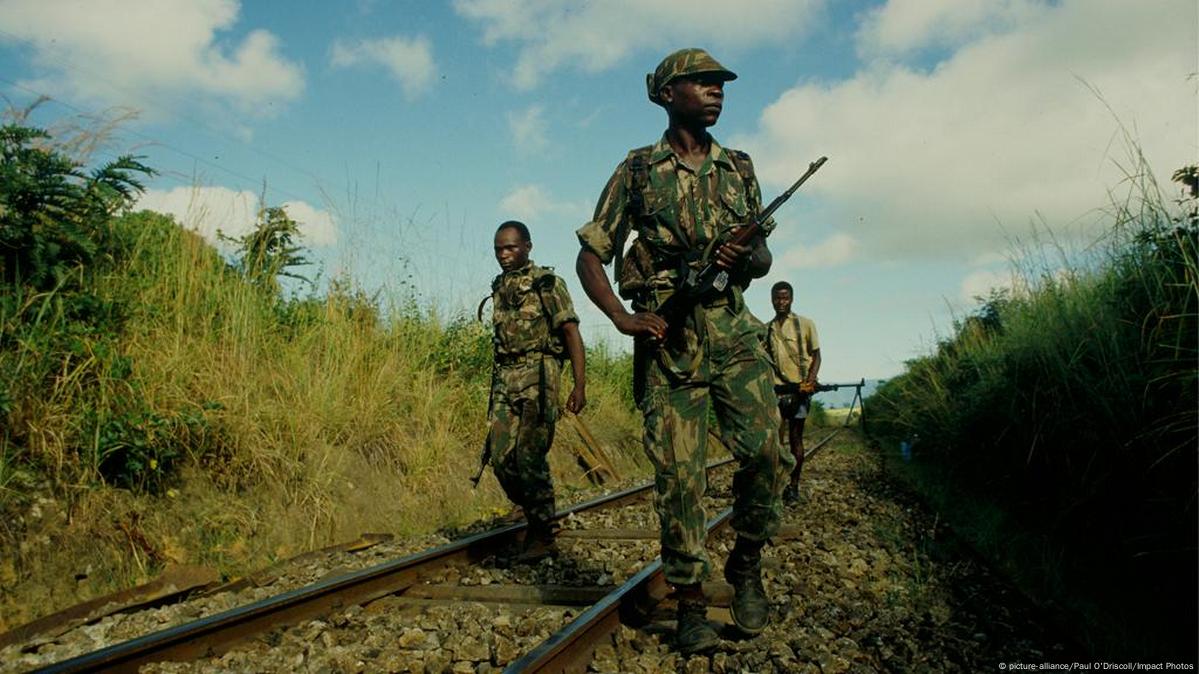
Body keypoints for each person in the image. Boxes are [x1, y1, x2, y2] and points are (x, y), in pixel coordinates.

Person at [575, 48, 794, 654]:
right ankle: (692, 602)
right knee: (679, 480)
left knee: (769, 456)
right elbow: (591, 253)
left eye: (720, 84)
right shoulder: (638, 170)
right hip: (670, 344)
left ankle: (746, 563)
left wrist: (743, 257)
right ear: (668, 94)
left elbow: (763, 257)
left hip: (733, 334)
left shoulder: (739, 167)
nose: (716, 91)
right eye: (701, 83)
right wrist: (621, 317)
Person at [486, 220, 586, 562]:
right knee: (500, 458)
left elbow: (571, 333)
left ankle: (543, 534)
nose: (504, 254)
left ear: (527, 246)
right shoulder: (499, 285)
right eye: (499, 248)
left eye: (511, 247)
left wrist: (579, 384)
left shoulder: (548, 283)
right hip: (506, 375)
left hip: (540, 374)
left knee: (529, 456)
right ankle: (532, 510)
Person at [766, 281, 821, 504]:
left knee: (795, 439)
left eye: (785, 298)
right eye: (778, 298)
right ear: (772, 300)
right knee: (775, 442)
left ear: (791, 299)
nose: (781, 302)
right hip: (777, 391)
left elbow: (816, 355)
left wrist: (810, 380)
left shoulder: (805, 324)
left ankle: (793, 486)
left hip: (799, 391)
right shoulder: (767, 329)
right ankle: (776, 485)